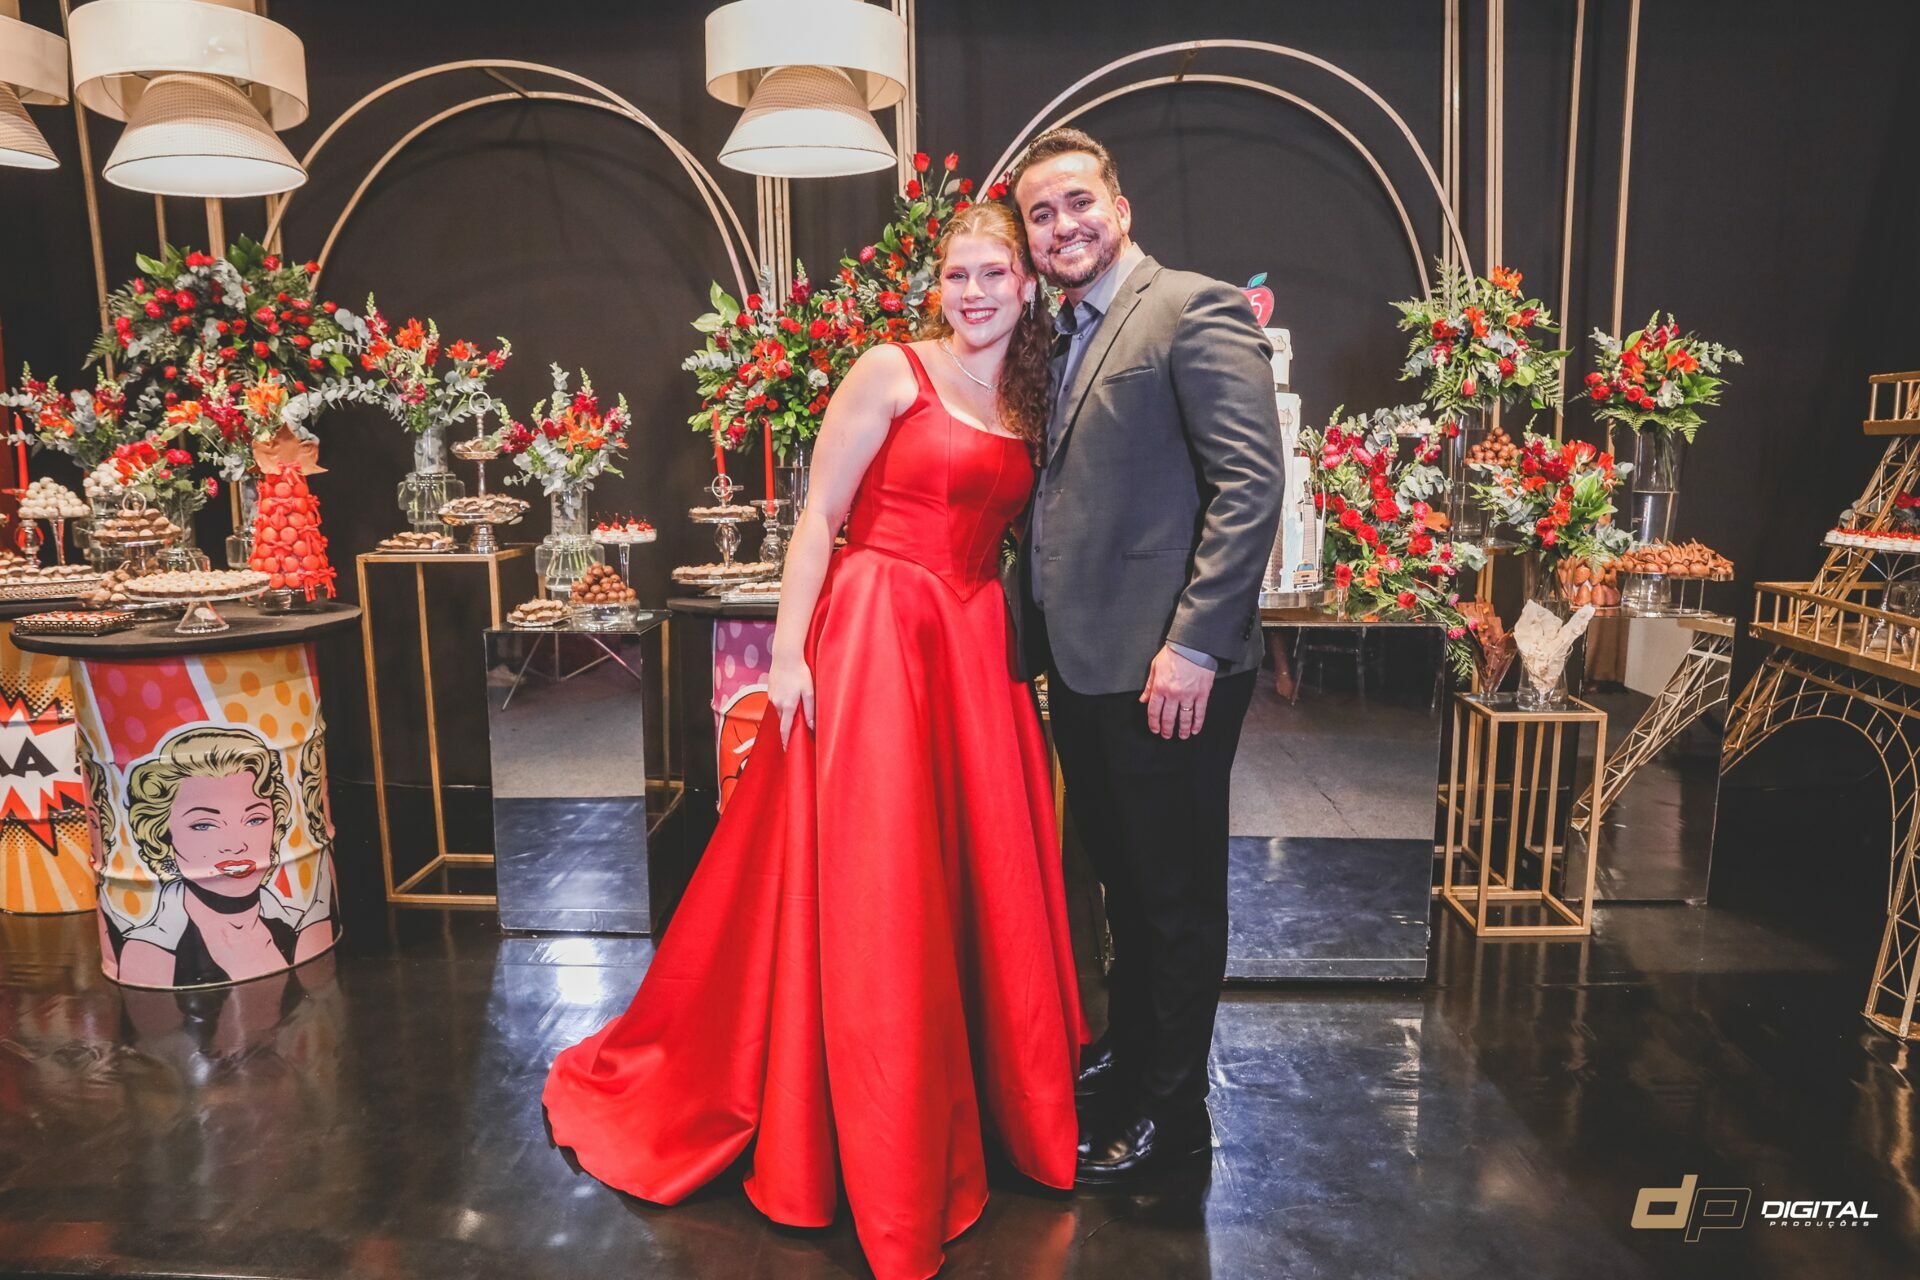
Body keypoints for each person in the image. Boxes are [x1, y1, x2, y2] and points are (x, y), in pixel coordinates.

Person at [543, 202, 1085, 1280]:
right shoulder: (892, 370)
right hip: (880, 631)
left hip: (974, 646)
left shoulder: (1031, 394)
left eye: (993, 274)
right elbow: (818, 518)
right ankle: (854, 1123)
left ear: (1027, 285)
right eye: (958, 275)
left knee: (972, 875)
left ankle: (984, 1104)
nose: (974, 292)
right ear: (938, 285)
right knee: (878, 876)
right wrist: (790, 655)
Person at [1009, 128, 1286, 1184]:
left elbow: (1250, 488)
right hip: (1086, 665)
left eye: (1079, 202)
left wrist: (1195, 646)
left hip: (1170, 669)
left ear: (1120, 209)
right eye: (1041, 214)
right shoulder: (1059, 333)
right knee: (1124, 889)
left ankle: (1176, 1122)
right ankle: (1132, 1067)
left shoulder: (1191, 307)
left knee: (1173, 902)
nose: (1063, 226)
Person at [115, 725, 335, 989]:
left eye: (255, 819)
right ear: (162, 835)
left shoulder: (299, 927)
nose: (236, 845)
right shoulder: (154, 953)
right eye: (204, 825)